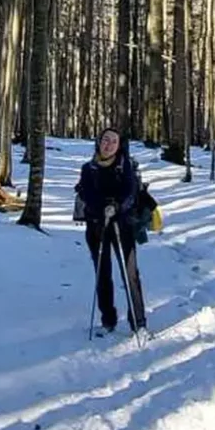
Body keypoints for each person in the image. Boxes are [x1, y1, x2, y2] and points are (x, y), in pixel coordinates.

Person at [74, 127, 149, 333]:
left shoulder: (125, 166)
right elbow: (87, 194)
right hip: (96, 226)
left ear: (119, 146)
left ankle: (138, 321)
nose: (108, 145)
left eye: (114, 141)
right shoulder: (88, 168)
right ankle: (108, 318)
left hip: (122, 226)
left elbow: (130, 192)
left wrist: (116, 207)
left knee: (130, 273)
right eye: (105, 140)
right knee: (102, 272)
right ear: (99, 142)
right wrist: (101, 207)